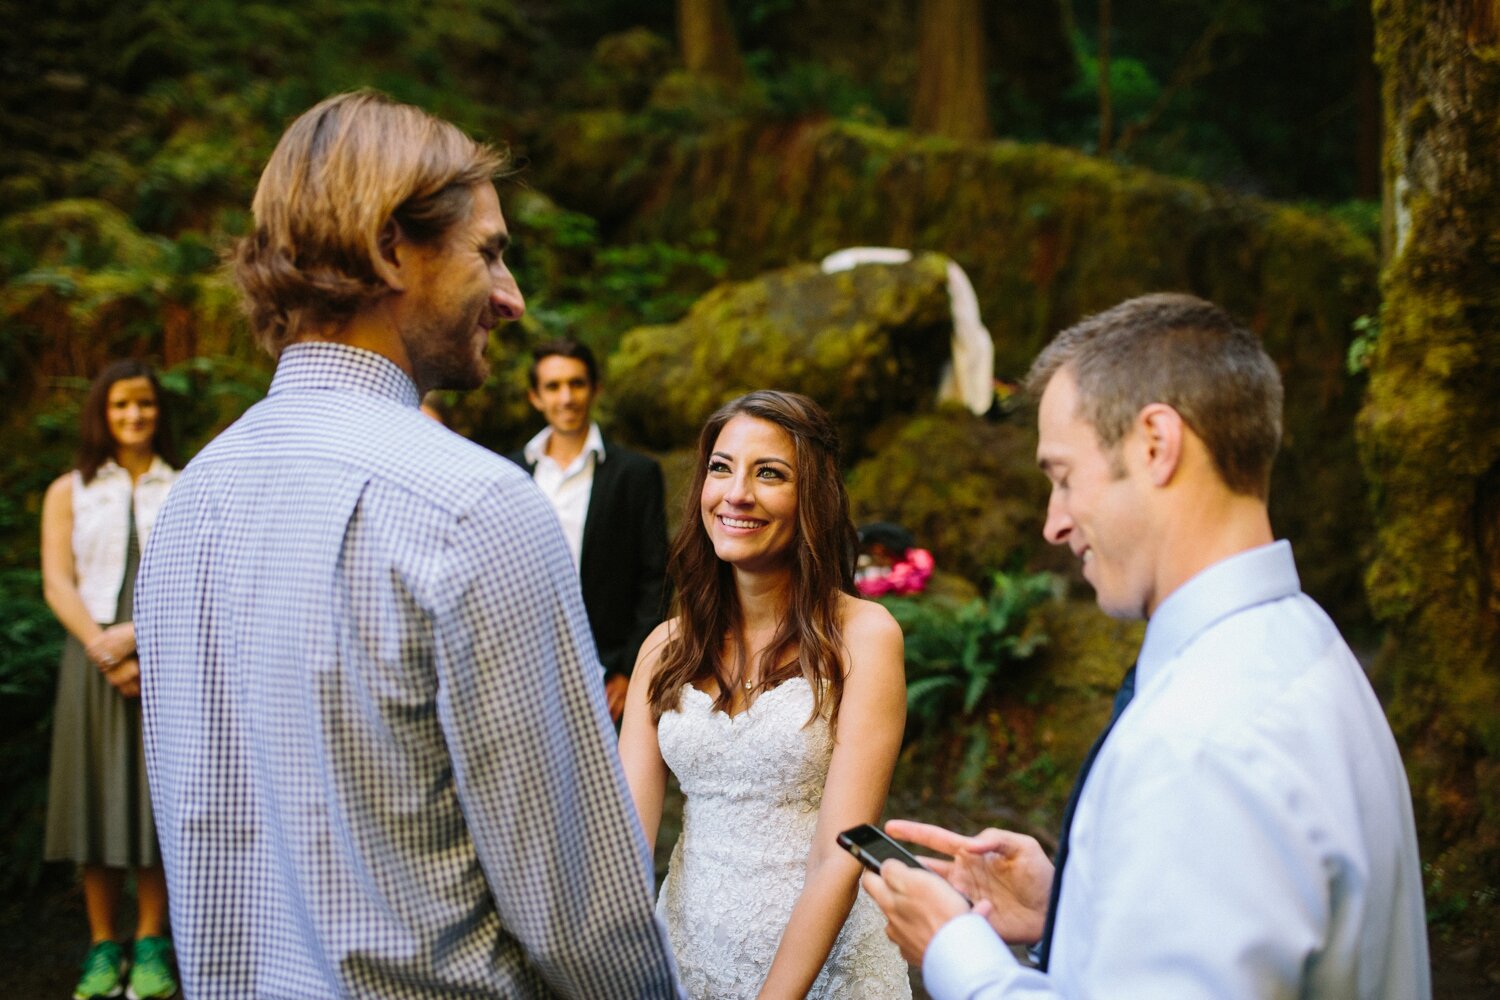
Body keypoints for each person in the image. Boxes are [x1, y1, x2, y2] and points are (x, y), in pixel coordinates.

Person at [134, 90, 680, 999]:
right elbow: (579, 910)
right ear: (392, 247)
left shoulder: (193, 501)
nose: (511, 298)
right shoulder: (475, 507)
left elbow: (205, 834)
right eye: (490, 253)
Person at [861, 293, 1430, 998]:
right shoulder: (1307, 643)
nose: (1054, 524)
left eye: (1064, 478)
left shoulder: (1197, 745)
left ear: (1156, 444)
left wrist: (957, 955)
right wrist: (1075, 906)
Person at [620, 389, 912, 998]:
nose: (736, 494)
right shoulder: (664, 648)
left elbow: (841, 854)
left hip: (823, 968)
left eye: (769, 474)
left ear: (814, 498)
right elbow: (622, 847)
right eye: (721, 468)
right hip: (687, 956)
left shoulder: (864, 637)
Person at [40, 359, 180, 1000]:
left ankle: (151, 942)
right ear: (102, 411)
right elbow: (57, 580)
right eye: (121, 405)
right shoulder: (70, 489)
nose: (133, 416)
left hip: (164, 659)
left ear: (158, 411)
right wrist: (106, 650)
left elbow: (186, 581)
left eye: (145, 404)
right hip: (90, 660)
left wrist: (144, 647)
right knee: (93, 797)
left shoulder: (180, 486)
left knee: (157, 801)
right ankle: (102, 944)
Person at [505, 339, 668, 721]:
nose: (566, 397)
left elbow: (655, 578)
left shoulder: (635, 474)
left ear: (595, 389)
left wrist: (632, 669)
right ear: (535, 397)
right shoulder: (509, 472)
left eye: (576, 384)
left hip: (606, 670)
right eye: (553, 386)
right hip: (522, 663)